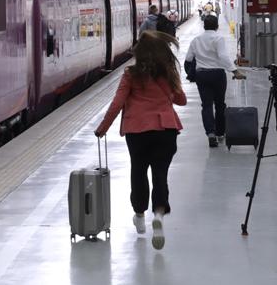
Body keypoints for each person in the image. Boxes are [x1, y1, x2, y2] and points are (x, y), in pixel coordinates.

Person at [95, 35, 187, 250]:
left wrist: (103, 128)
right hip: (165, 129)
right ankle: (158, 215)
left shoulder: (130, 74)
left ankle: (139, 214)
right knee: (160, 175)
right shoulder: (167, 73)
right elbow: (181, 100)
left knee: (138, 171)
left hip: (137, 131)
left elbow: (117, 103)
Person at [187, 14, 236, 147]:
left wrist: (191, 74)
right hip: (218, 74)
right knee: (220, 104)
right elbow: (223, 56)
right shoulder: (219, 38)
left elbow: (188, 59)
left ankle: (210, 133)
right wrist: (234, 70)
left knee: (206, 105)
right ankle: (220, 132)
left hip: (202, 75)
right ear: (217, 26)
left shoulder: (196, 40)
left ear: (204, 26)